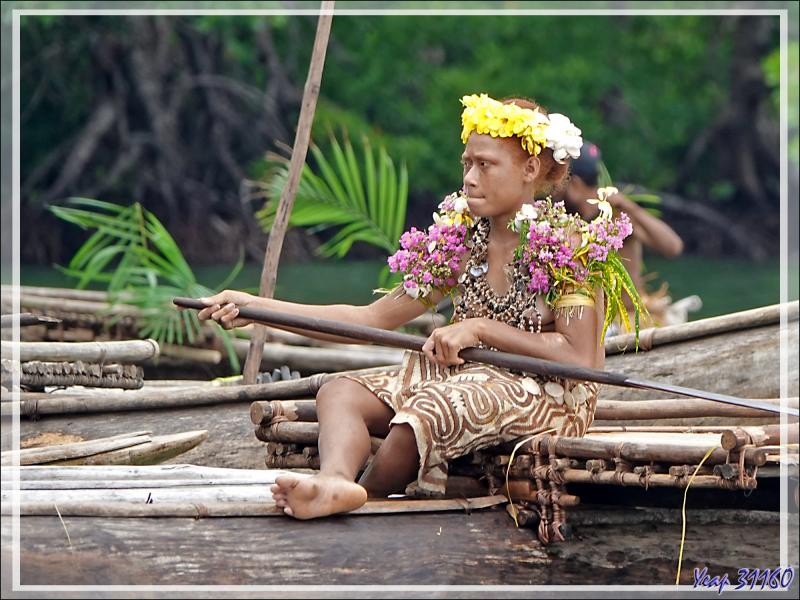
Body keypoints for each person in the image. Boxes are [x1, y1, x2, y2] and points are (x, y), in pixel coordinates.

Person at [197, 94, 638, 520]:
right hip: (466, 378)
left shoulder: (571, 246)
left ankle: (362, 497)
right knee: (339, 391)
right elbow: (370, 320)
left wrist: (481, 330)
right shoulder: (462, 243)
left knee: (426, 409)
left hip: (551, 397)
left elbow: (582, 359)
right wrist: (259, 308)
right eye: (467, 164)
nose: (469, 178)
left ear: (530, 168)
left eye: (485, 165)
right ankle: (335, 481)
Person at [555, 141, 686, 327]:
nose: (554, 189)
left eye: (559, 182)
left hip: (627, 322)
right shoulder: (563, 222)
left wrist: (631, 208)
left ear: (574, 184)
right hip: (588, 323)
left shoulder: (617, 218)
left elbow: (673, 247)